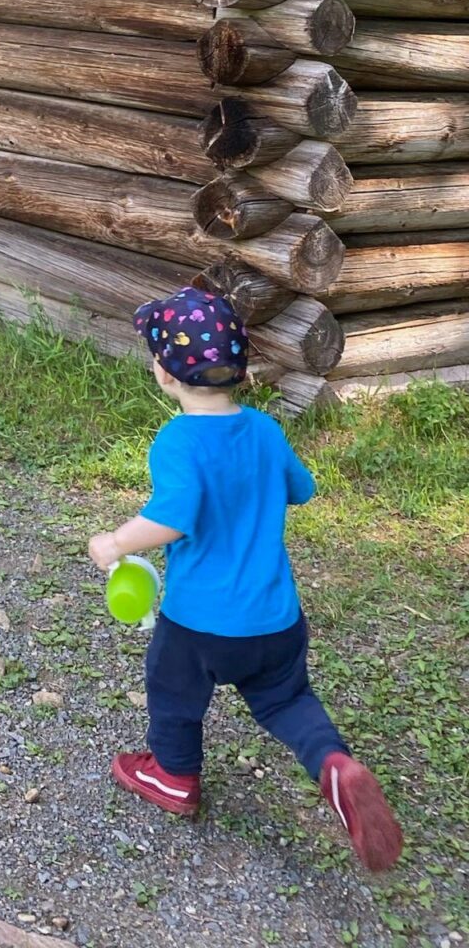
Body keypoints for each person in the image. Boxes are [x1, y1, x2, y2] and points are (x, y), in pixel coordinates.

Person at [87, 286, 402, 873]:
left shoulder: (179, 439)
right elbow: (301, 489)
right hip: (276, 618)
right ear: (240, 364)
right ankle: (334, 764)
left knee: (172, 688)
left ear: (163, 372)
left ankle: (175, 777)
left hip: (200, 622)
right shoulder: (263, 431)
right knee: (286, 700)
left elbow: (173, 516)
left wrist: (113, 542)